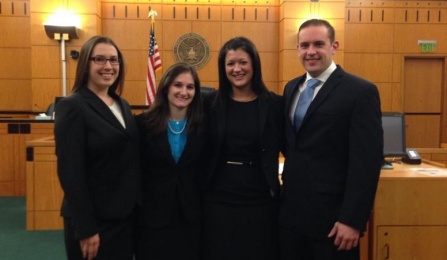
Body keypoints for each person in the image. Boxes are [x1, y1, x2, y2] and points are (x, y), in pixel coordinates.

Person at [279, 19, 383, 260]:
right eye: (304, 45)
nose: (310, 51)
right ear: (297, 49)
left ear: (334, 46)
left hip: (334, 224)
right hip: (291, 221)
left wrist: (352, 220)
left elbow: (366, 163)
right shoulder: (291, 88)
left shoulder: (360, 91)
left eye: (318, 44)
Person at [54, 36, 141, 260]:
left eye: (114, 60)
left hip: (123, 217)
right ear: (86, 63)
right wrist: (86, 228)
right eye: (100, 59)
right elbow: (71, 172)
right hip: (93, 223)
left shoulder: (121, 104)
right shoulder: (72, 106)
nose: (108, 66)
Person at [201, 36, 284, 260]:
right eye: (230, 64)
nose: (237, 69)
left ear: (254, 65)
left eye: (243, 62)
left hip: (261, 200)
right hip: (218, 200)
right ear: (223, 68)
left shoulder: (275, 105)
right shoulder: (209, 104)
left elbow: (293, 150)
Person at [134, 62, 204, 260]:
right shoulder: (142, 125)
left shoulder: (203, 127)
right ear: (166, 88)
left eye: (190, 87)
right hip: (152, 219)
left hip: (190, 217)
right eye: (178, 85)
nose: (184, 91)